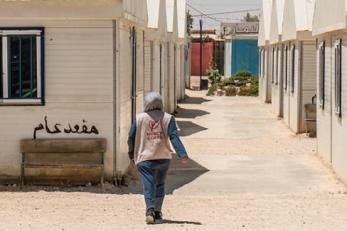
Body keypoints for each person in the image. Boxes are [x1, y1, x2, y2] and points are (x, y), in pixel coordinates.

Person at [128, 91, 189, 225]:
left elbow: (131, 138)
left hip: (144, 158)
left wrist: (131, 154)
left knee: (148, 185)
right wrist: (182, 154)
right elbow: (174, 137)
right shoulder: (168, 118)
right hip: (163, 157)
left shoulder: (139, 118)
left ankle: (150, 210)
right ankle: (157, 211)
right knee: (160, 184)